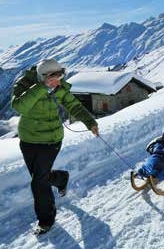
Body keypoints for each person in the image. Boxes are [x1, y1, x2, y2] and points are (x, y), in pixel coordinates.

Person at [11, 58, 99, 235]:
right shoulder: (25, 83)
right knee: (39, 176)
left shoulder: (59, 87)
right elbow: (19, 106)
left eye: (60, 75)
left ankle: (46, 220)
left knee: (38, 182)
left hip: (52, 140)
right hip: (28, 139)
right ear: (42, 76)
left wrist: (90, 122)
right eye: (53, 77)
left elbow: (73, 105)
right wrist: (42, 87)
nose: (57, 80)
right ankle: (60, 178)